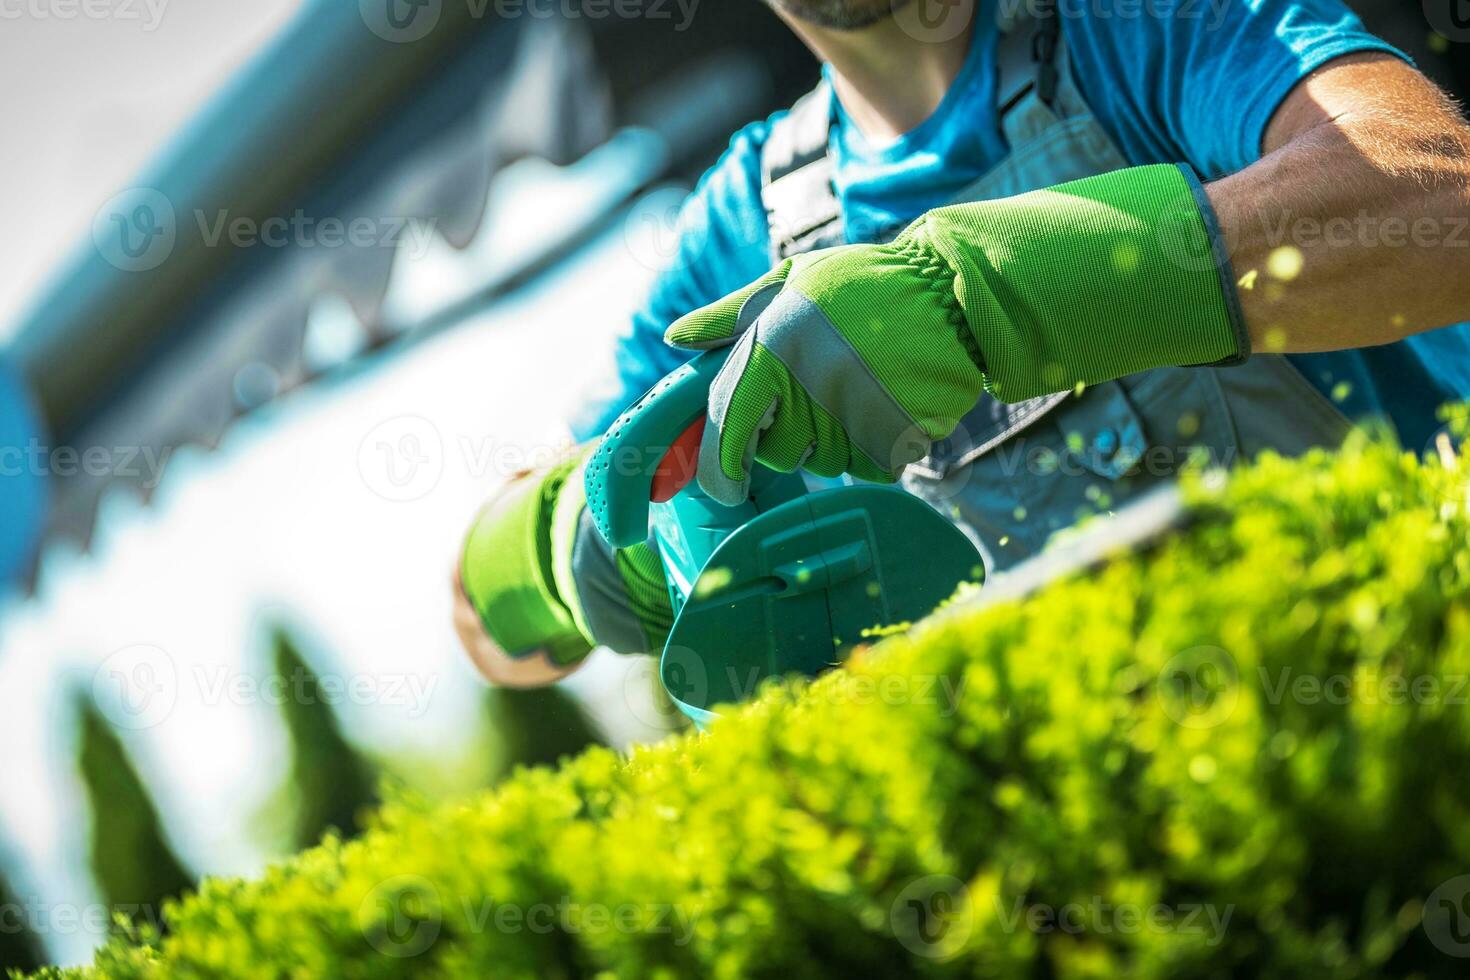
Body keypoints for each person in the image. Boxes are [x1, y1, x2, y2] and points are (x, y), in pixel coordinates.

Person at [453, 0, 1470, 688]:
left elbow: (1442, 197)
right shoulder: (734, 232)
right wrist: (567, 548)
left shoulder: (1146, 27)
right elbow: (484, 626)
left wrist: (989, 298)